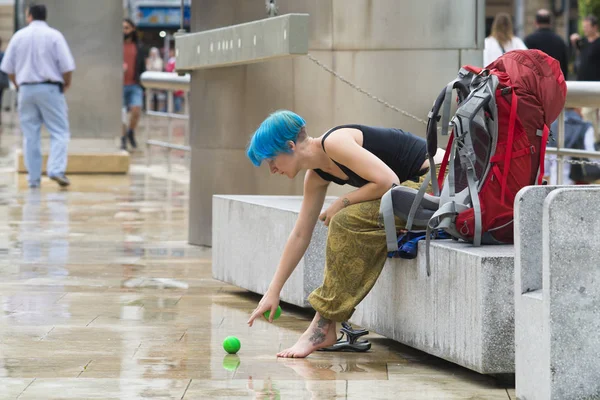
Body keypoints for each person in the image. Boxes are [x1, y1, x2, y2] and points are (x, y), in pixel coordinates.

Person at [245, 110, 444, 358]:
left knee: (346, 220)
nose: (272, 169)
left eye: (271, 160)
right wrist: (273, 291)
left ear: (290, 145)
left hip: (440, 179)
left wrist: (343, 201)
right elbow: (300, 234)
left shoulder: (335, 142)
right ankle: (324, 326)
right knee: (347, 220)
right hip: (410, 193)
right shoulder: (316, 176)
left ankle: (321, 328)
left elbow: (388, 181)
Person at [0, 3, 75, 188]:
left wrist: (18, 84)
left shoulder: (18, 36)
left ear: (29, 16)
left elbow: (8, 67)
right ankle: (56, 170)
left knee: (30, 134)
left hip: (25, 89)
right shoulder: (55, 36)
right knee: (59, 131)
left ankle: (33, 179)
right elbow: (67, 66)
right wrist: (66, 82)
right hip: (50, 88)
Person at [571, 15, 600, 137]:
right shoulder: (583, 42)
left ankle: (593, 141)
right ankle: (591, 139)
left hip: (594, 84)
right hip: (582, 83)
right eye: (584, 27)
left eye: (587, 27)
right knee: (584, 115)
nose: (585, 29)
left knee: (589, 115)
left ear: (595, 27)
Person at [122, 18, 146, 151]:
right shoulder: (115, 47)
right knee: (122, 115)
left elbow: (142, 67)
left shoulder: (139, 47)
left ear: (132, 29)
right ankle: (123, 138)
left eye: (126, 27)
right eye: (122, 28)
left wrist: (143, 85)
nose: (124, 30)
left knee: (136, 110)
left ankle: (130, 131)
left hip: (134, 84)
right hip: (119, 85)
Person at [524, 9, 569, 79]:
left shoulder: (529, 40)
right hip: (555, 84)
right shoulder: (560, 41)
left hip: (536, 85)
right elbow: (565, 67)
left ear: (536, 23)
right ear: (550, 23)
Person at [165, 48, 184, 113]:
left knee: (177, 97)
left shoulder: (174, 61)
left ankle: (177, 110)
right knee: (172, 97)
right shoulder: (171, 61)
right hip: (171, 81)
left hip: (176, 81)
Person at [145, 47, 164, 112]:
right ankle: (147, 108)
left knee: (156, 96)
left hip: (157, 80)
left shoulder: (160, 60)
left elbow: (159, 68)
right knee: (148, 95)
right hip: (149, 80)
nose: (153, 54)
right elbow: (147, 68)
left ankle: (156, 109)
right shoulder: (148, 60)